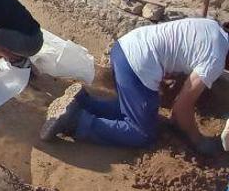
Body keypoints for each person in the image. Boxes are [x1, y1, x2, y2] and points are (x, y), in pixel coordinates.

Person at [40, 18, 229, 155]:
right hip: (138, 64)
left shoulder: (213, 27)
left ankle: (82, 102)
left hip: (126, 47)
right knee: (142, 134)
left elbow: (179, 50)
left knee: (134, 110)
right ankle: (76, 121)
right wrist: (199, 141)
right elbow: (181, 108)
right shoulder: (216, 59)